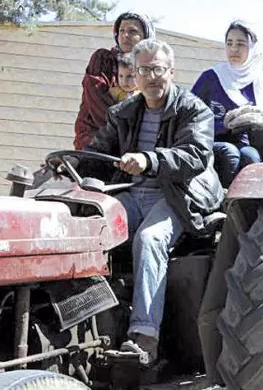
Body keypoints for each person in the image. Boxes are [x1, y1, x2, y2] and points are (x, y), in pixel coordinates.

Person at [83, 38, 223, 365]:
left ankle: (144, 338)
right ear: (136, 73)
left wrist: (151, 160)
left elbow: (197, 155)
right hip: (132, 195)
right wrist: (69, 165)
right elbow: (98, 151)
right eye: (144, 69)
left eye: (158, 69)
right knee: (91, 230)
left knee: (150, 239)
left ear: (171, 72)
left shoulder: (193, 110)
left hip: (176, 194)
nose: (151, 76)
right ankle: (93, 322)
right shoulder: (124, 112)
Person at [191, 19, 263, 188]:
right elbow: (189, 116)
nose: (233, 49)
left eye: (241, 44)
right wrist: (224, 125)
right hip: (209, 141)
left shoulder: (262, 82)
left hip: (244, 144)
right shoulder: (210, 78)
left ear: (253, 47)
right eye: (229, 43)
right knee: (230, 153)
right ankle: (221, 204)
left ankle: (246, 209)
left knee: (251, 157)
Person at [73, 11, 154, 150]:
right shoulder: (103, 59)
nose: (125, 35)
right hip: (95, 140)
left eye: (132, 31)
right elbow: (97, 100)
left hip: (134, 148)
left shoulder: (152, 69)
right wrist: (124, 132)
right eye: (121, 30)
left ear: (145, 36)